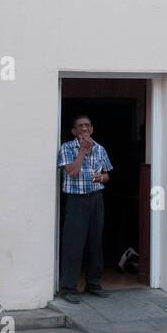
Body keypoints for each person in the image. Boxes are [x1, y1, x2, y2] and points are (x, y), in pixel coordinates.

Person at [57, 114, 113, 303]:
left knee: (95, 242)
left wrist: (101, 178)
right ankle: (68, 288)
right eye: (80, 126)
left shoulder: (100, 149)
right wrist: (82, 151)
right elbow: (72, 172)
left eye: (87, 125)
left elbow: (107, 175)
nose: (84, 129)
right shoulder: (67, 148)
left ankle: (94, 284)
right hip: (76, 200)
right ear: (74, 131)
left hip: (96, 199)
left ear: (92, 129)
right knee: (74, 243)